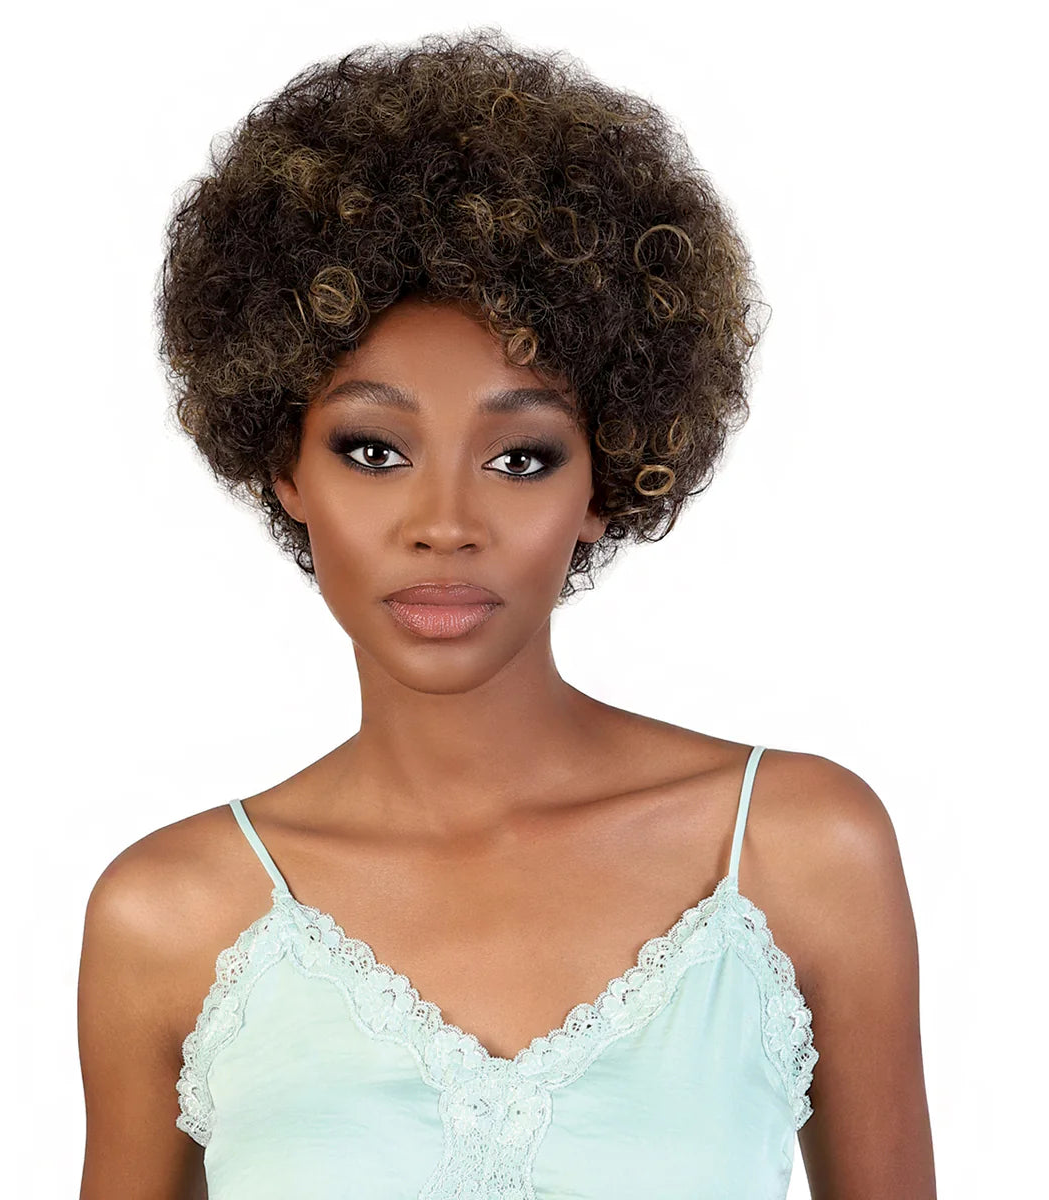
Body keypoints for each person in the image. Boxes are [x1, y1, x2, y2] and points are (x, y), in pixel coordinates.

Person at [77, 27, 935, 1199]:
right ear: (284, 469)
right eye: (373, 449)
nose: (444, 523)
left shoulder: (796, 851)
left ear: (607, 480)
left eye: (520, 457)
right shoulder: (168, 918)